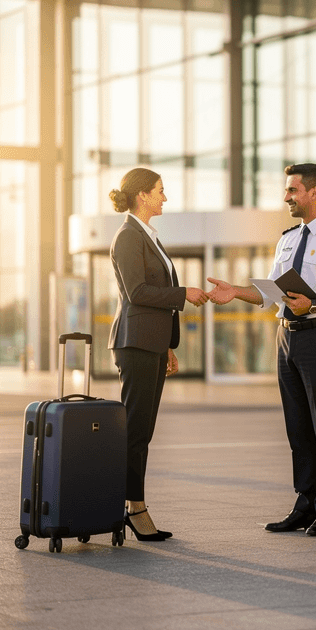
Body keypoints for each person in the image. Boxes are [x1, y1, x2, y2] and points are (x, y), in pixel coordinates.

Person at [207, 163, 316, 537]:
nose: (286, 198)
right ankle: (305, 503)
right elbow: (272, 294)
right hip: (287, 338)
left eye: (292, 190)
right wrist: (236, 291)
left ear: (314, 192)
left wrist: (312, 305)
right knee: (297, 427)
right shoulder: (287, 239)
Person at [108, 167, 209, 541]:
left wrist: (167, 344)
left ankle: (131, 505)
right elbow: (137, 292)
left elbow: (153, 294)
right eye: (160, 191)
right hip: (134, 344)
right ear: (142, 196)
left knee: (143, 431)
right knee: (136, 431)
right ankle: (134, 508)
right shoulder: (128, 237)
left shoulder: (147, 236)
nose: (165, 197)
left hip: (150, 343)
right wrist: (184, 295)